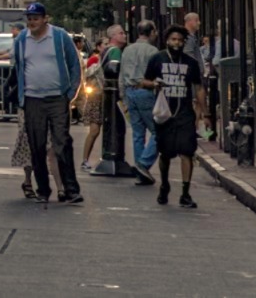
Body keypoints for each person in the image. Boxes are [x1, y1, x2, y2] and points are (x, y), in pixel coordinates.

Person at [11, 1, 83, 203]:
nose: (32, 22)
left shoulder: (59, 37)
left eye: (36, 18)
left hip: (57, 98)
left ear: (45, 19)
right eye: (29, 19)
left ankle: (71, 189)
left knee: (62, 143)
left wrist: (70, 93)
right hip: (33, 99)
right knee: (37, 145)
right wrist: (22, 97)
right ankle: (43, 189)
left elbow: (74, 65)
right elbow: (18, 67)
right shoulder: (22, 40)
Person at [143, 23, 205, 208]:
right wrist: (154, 84)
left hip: (185, 113)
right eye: (173, 39)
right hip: (165, 114)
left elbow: (199, 87)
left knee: (187, 152)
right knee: (166, 153)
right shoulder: (157, 59)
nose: (176, 43)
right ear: (167, 40)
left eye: (179, 40)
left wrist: (203, 112)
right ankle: (165, 184)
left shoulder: (190, 63)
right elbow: (143, 81)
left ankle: (185, 193)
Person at [119, 20, 160, 185]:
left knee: (138, 133)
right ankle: (144, 163)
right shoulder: (153, 51)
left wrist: (123, 98)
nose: (156, 34)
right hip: (145, 91)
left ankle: (140, 167)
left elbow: (121, 75)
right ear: (151, 32)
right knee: (158, 131)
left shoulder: (127, 50)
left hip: (130, 91)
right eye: (155, 31)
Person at [82, 24, 125, 165]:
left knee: (99, 129)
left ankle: (88, 159)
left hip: (99, 94)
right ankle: (88, 159)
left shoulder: (106, 52)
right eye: (121, 33)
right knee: (97, 129)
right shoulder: (114, 52)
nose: (124, 35)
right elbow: (114, 72)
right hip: (101, 96)